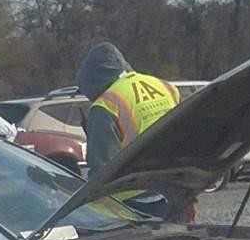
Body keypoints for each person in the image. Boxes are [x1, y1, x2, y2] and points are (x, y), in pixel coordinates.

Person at [75, 42, 178, 177]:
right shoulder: (165, 86)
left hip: (132, 190)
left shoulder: (105, 105)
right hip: (173, 181)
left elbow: (102, 169)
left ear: (92, 83)